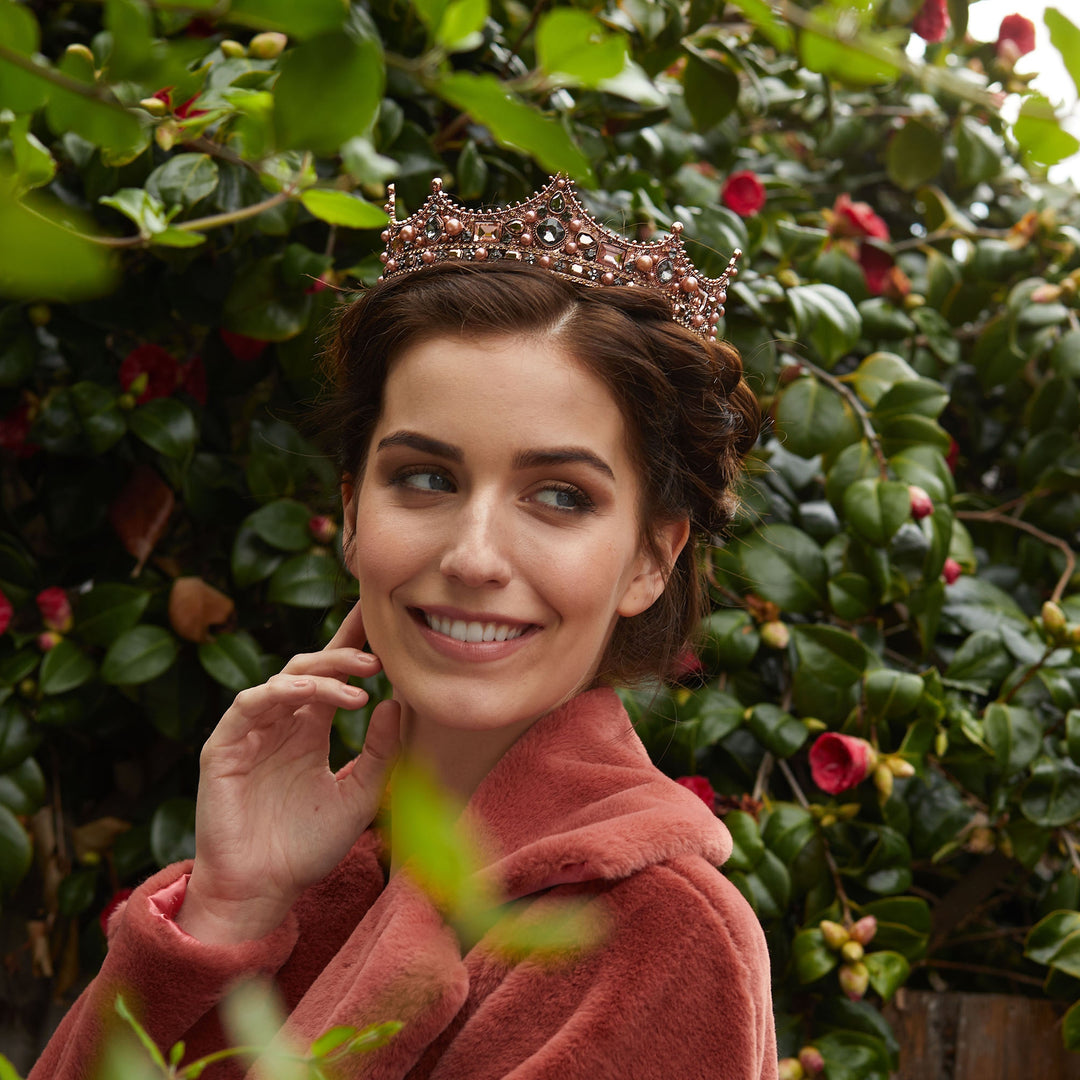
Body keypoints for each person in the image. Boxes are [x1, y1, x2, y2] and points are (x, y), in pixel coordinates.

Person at [30, 177, 777, 1080]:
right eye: (425, 478)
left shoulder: (656, 933)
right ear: (350, 513)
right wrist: (233, 910)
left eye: (559, 496)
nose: (473, 556)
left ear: (651, 559)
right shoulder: (313, 878)